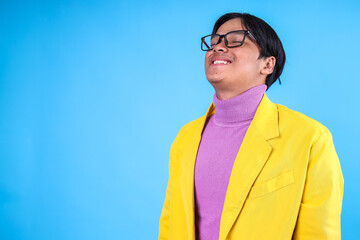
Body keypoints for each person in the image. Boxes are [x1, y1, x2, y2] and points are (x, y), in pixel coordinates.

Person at [158, 12, 344, 240]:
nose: (218, 47)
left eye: (235, 40)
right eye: (214, 41)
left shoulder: (310, 137)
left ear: (267, 64)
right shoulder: (185, 138)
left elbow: (318, 234)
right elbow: (170, 224)